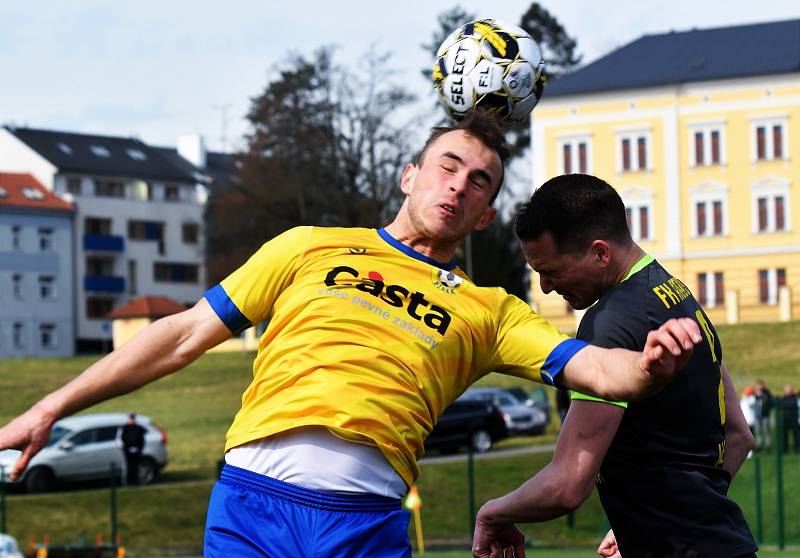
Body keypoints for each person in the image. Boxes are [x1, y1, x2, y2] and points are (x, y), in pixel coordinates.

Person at [0, 114, 700, 558]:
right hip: (252, 505)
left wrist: (650, 367)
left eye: (479, 182)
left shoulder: (488, 310)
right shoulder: (309, 246)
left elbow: (606, 376)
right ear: (410, 174)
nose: (458, 186)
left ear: (485, 217)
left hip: (363, 523)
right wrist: (51, 406)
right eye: (447, 166)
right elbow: (181, 335)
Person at [472, 174, 756, 558]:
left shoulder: (610, 323)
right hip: (725, 543)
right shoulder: (676, 294)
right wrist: (653, 523)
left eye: (552, 271)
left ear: (601, 253)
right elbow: (739, 436)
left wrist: (492, 514)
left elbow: (568, 482)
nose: (545, 287)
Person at [120, 413, 146, 485]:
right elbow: (121, 439)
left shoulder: (138, 428)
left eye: (133, 419)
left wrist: (140, 449)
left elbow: (142, 440)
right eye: (131, 419)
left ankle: (136, 481)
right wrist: (126, 448)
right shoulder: (124, 428)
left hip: (137, 450)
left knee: (136, 466)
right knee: (128, 466)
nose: (132, 420)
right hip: (127, 451)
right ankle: (128, 481)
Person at [754, 379, 774, 449]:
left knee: (766, 431)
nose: (759, 387)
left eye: (760, 385)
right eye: (758, 385)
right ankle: (759, 445)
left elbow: (771, 403)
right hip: (757, 416)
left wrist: (767, 409)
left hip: (765, 415)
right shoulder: (755, 394)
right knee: (758, 431)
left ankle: (768, 445)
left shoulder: (767, 393)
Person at [781, 384, 800, 453]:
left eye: (790, 390)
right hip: (785, 420)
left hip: (794, 419)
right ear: (785, 391)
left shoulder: (795, 397)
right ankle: (785, 449)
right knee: (785, 435)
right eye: (787, 390)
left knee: (796, 435)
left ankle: (797, 448)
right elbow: (782, 405)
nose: (789, 391)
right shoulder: (783, 398)